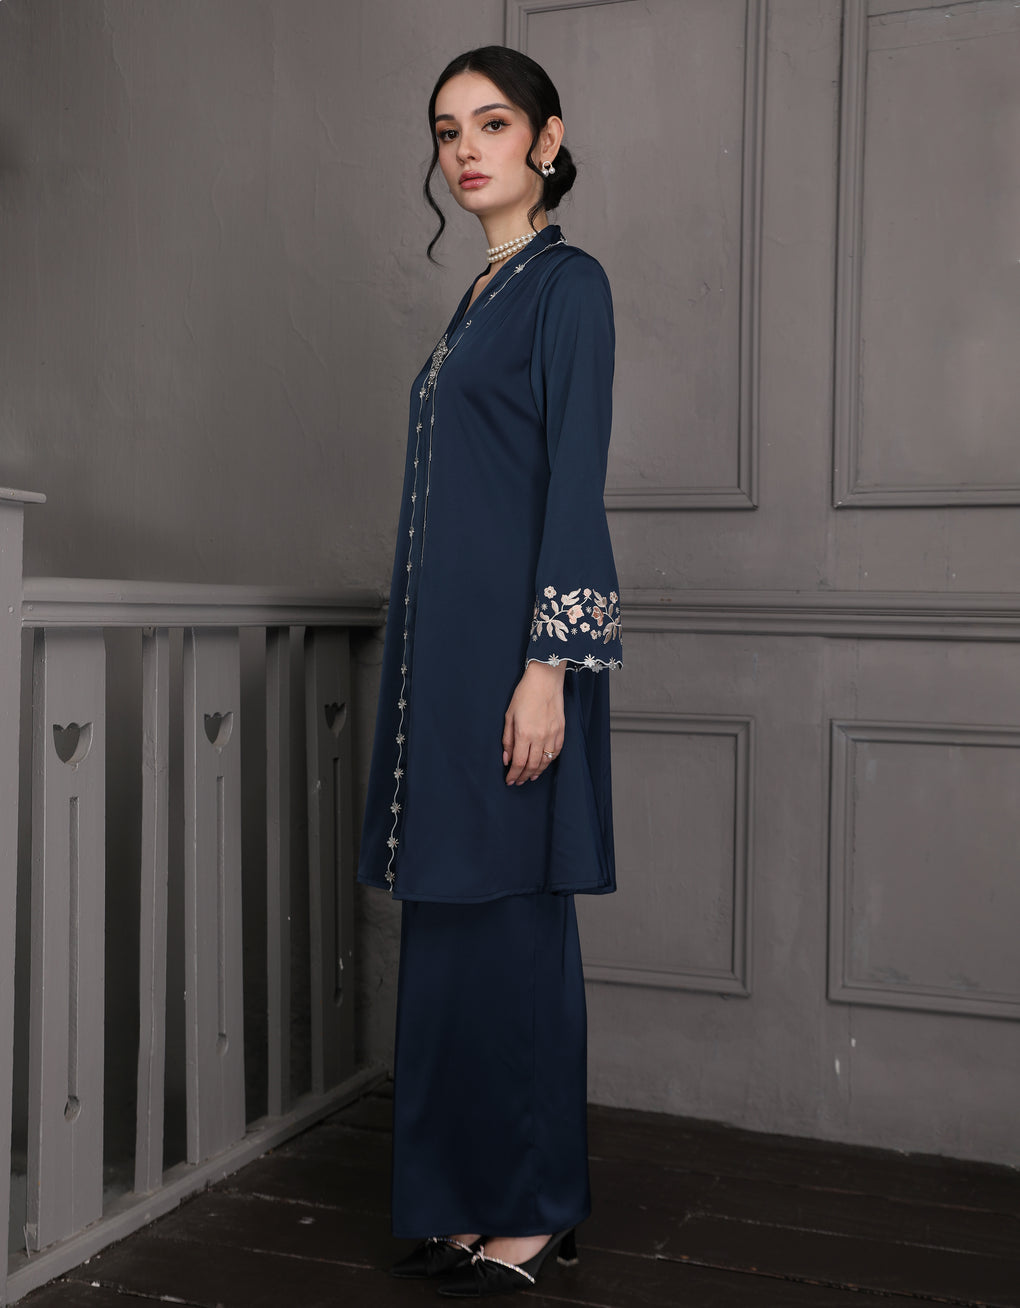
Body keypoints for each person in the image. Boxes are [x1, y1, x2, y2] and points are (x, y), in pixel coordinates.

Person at [356, 44, 622, 1299]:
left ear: (547, 140)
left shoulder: (568, 286)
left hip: (518, 666)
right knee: (453, 930)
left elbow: (574, 485)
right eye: (447, 129)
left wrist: (548, 669)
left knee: (516, 932)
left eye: (494, 123)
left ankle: (534, 1206)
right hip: (445, 669)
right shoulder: (478, 296)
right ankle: (460, 1198)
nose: (466, 148)